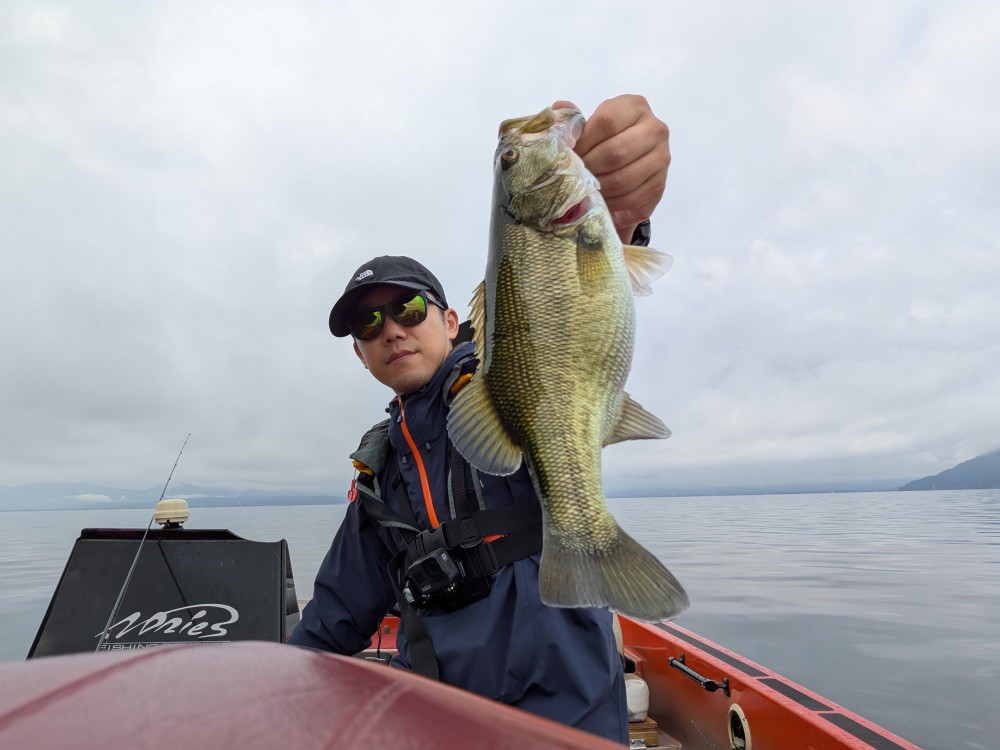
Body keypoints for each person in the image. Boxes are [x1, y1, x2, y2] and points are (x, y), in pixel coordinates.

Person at [289, 95, 671, 744]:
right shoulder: (381, 469)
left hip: (566, 718)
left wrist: (623, 218)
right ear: (359, 353)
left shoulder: (496, 387)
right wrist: (270, 681)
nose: (391, 329)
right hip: (438, 725)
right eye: (368, 323)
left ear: (450, 321)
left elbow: (568, 309)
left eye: (408, 308)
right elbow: (335, 613)